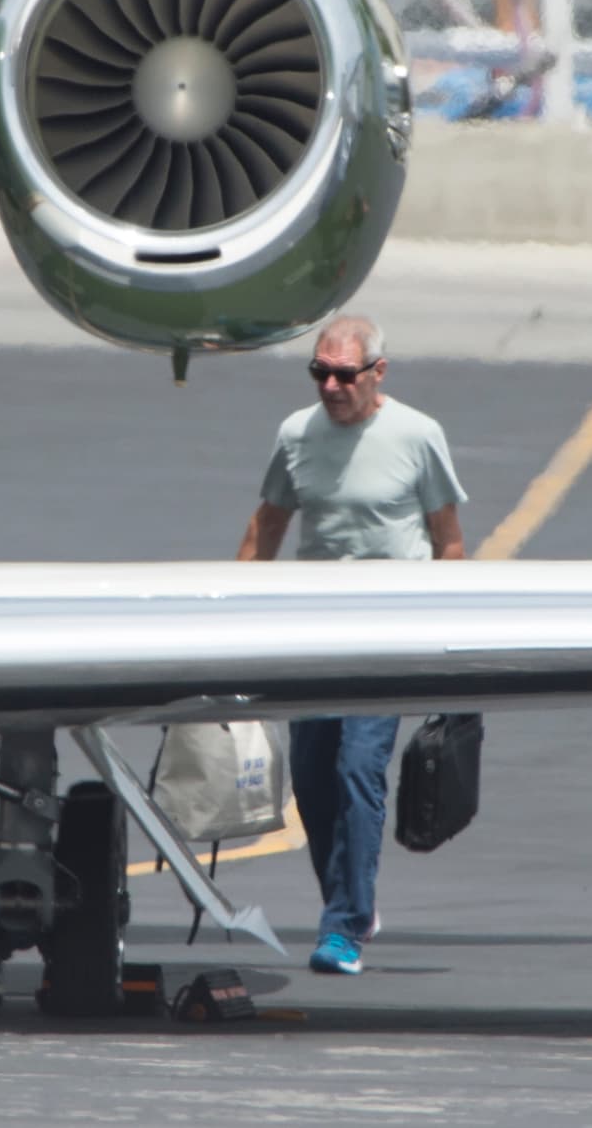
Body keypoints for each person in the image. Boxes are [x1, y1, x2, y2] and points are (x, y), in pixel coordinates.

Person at [236, 315, 468, 975]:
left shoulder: (418, 436)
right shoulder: (295, 434)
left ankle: (343, 930)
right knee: (310, 784)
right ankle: (351, 905)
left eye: (345, 375)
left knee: (357, 772)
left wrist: (452, 643)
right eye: (321, 373)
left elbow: (448, 541)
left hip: (391, 638)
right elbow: (267, 527)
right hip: (313, 637)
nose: (332, 387)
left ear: (378, 374)